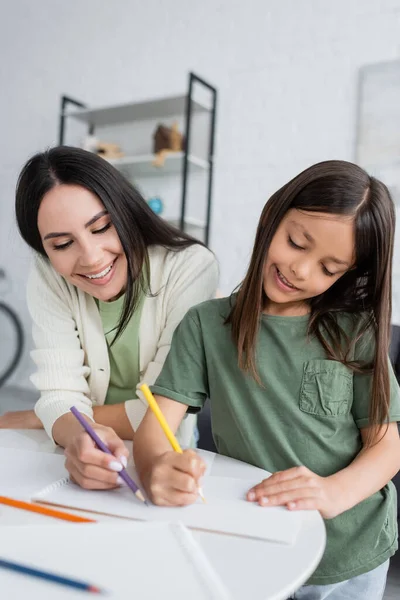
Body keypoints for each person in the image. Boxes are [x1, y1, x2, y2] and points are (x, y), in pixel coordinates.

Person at [133, 160, 400, 599]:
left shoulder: (356, 332)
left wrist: (332, 493)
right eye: (297, 242)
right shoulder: (205, 325)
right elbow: (155, 430)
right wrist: (155, 467)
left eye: (329, 268)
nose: (301, 270)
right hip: (257, 543)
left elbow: (385, 443)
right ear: (272, 215)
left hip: (351, 548)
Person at [0, 146, 218, 491]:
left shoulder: (190, 266)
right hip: (79, 454)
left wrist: (46, 418)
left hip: (165, 457)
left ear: (126, 210)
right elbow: (59, 391)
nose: (91, 258)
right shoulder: (48, 275)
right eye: (61, 244)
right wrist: (76, 434)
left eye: (101, 227)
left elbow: (160, 411)